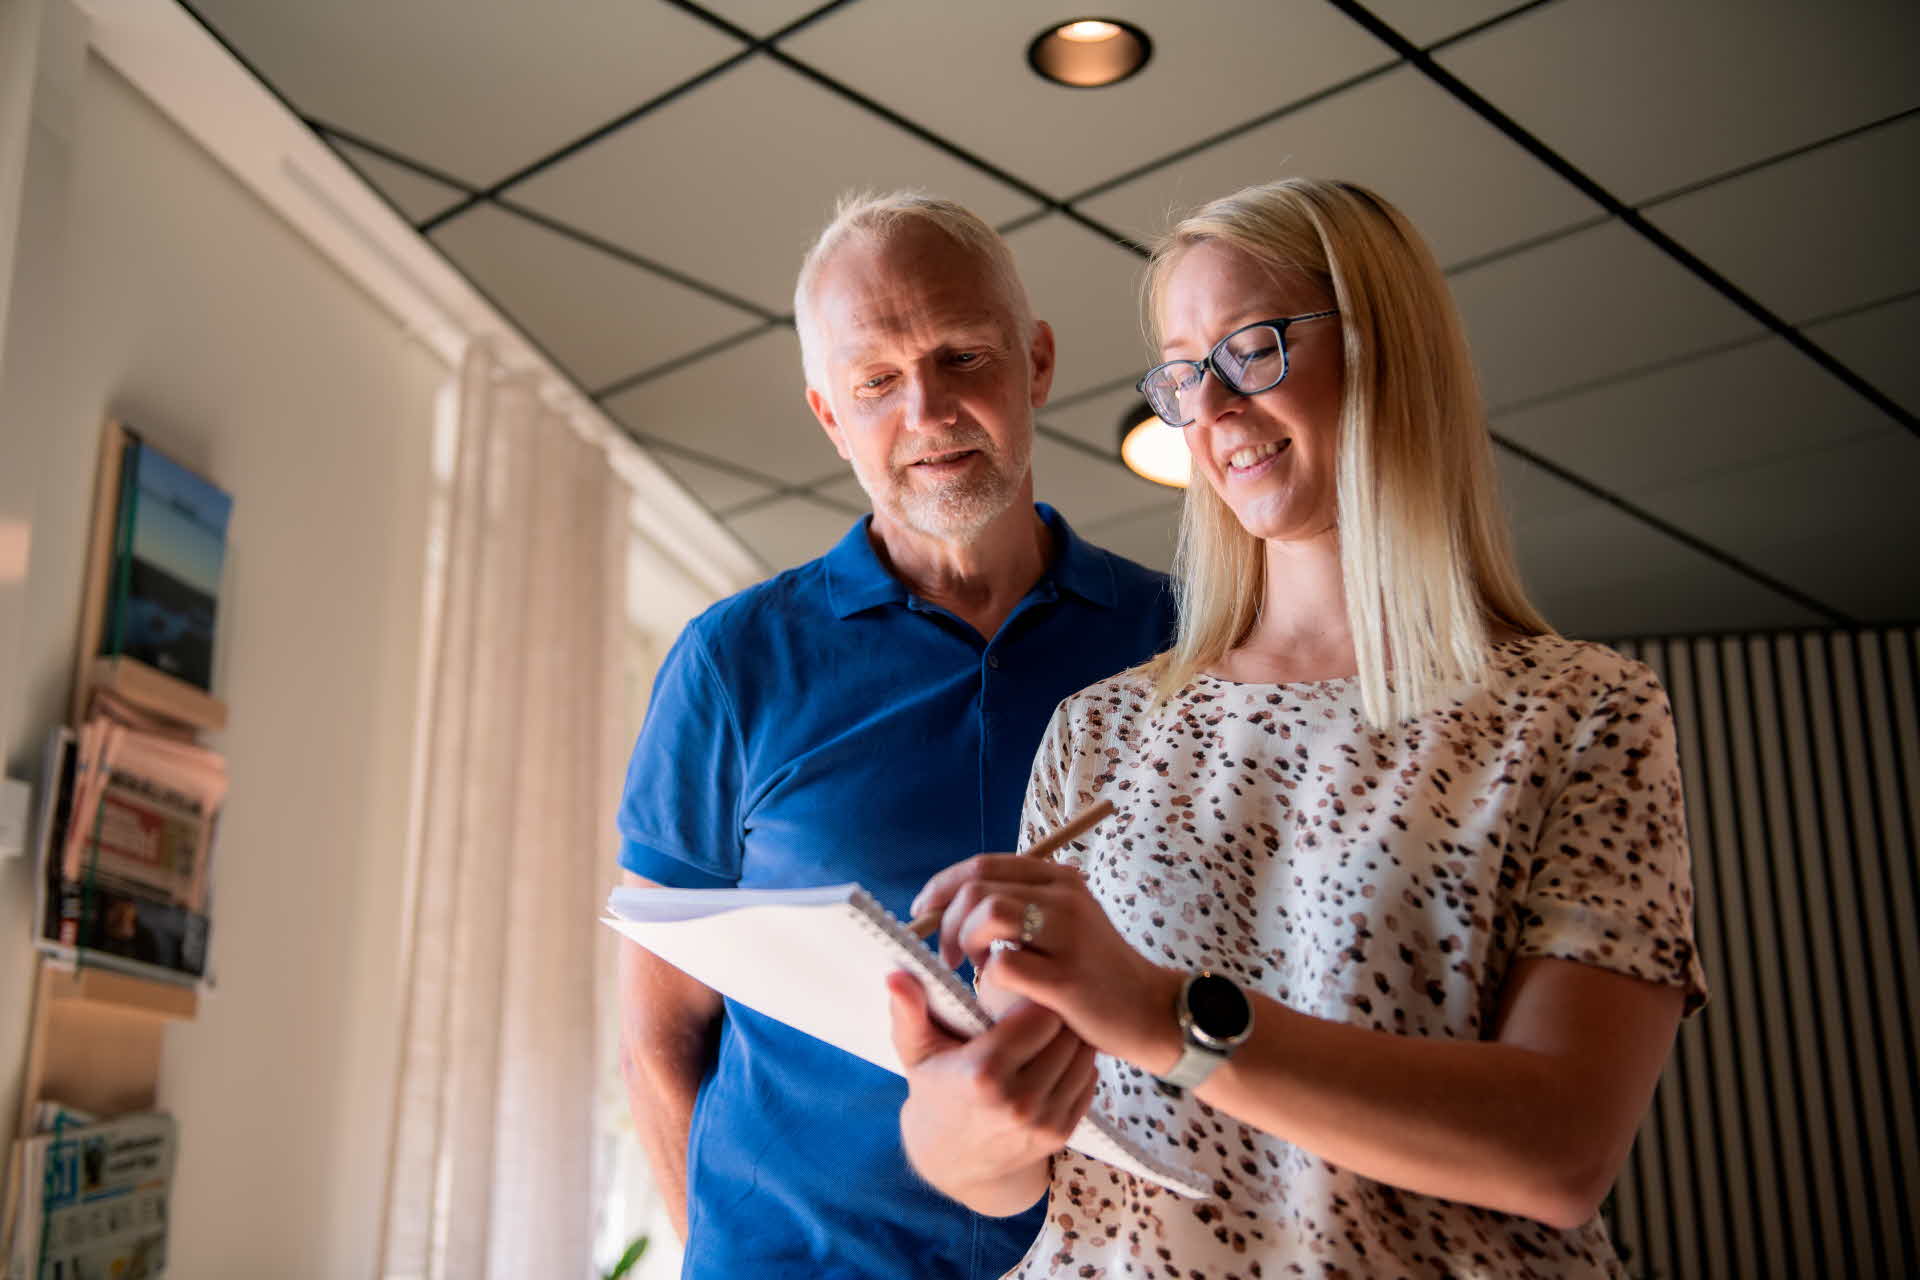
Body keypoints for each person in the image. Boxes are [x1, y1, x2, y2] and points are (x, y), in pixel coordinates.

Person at [890, 177, 1708, 1278]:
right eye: (1184, 375)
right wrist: (959, 1115)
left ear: (1385, 349)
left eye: (1253, 348)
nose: (1213, 410)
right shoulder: (1103, 729)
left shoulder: (1578, 711)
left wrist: (1166, 1015)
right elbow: (1008, 1168)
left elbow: (1560, 1149)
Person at [614, 191, 1175, 1279]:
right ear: (830, 413)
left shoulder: (1184, 643)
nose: (929, 409)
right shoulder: (731, 663)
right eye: (877, 380)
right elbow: (657, 1039)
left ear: (1037, 363)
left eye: (965, 355)